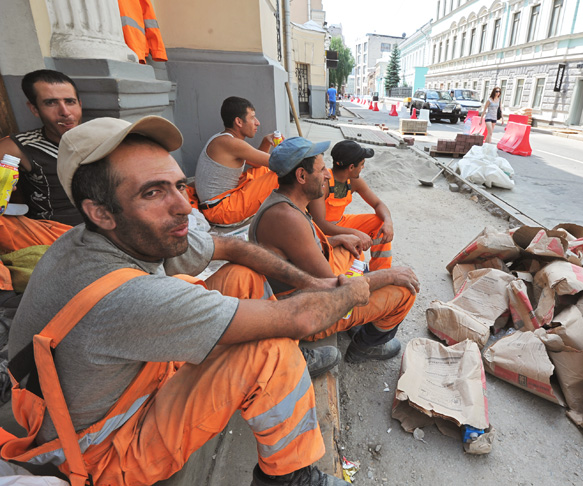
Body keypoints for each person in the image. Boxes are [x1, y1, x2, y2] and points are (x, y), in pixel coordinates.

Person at [6, 116, 365, 486]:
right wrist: (351, 289)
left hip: (118, 384)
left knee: (242, 277)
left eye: (179, 185)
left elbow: (229, 245)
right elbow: (300, 320)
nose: (184, 207)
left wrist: (313, 282)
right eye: (153, 192)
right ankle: (289, 477)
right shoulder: (126, 297)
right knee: (269, 351)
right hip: (105, 449)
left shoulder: (109, 233)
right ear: (100, 211)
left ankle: (290, 367)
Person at [249, 137, 419, 363]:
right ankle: (366, 346)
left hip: (303, 294)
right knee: (405, 291)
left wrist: (338, 239)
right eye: (321, 170)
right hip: (306, 312)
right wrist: (389, 275)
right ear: (301, 176)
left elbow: (308, 252)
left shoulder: (284, 205)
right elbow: (333, 289)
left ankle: (360, 313)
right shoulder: (288, 218)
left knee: (352, 247)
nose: (328, 175)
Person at [0, 70, 84, 291]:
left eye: (70, 101)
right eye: (50, 103)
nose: (65, 112)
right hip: (49, 234)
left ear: (79, 103)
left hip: (106, 228)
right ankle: (5, 295)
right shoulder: (18, 147)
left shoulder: (101, 138)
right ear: (34, 109)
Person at [308, 140, 393, 271]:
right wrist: (355, 233)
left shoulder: (354, 181)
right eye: (362, 164)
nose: (363, 167)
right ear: (351, 167)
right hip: (322, 232)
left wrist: (388, 221)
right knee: (355, 252)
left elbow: (378, 204)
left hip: (341, 223)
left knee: (380, 222)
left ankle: (381, 271)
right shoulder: (323, 184)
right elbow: (320, 224)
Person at [194, 96, 279, 225]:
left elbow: (257, 163)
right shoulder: (231, 143)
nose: (257, 122)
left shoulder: (223, 139)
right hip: (220, 210)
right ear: (239, 122)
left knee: (263, 170)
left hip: (218, 204)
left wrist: (266, 141)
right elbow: (281, 162)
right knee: (280, 175)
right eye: (252, 117)